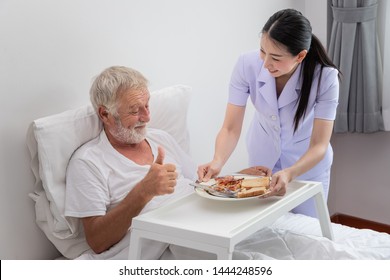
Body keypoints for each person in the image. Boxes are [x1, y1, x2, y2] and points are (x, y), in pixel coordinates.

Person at [198, 9, 340, 217]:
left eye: (275, 57)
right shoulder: (246, 64)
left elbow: (319, 144)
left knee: (308, 232)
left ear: (300, 56)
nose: (265, 63)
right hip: (262, 160)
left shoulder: (325, 78)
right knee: (264, 228)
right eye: (263, 51)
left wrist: (290, 173)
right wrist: (218, 160)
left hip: (307, 166)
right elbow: (230, 128)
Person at [64, 66, 197, 258]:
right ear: (105, 114)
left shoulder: (161, 138)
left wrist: (237, 180)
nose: (146, 117)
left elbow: (199, 185)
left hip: (202, 225)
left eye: (147, 106)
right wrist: (144, 191)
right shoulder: (88, 162)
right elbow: (97, 241)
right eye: (135, 111)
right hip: (168, 245)